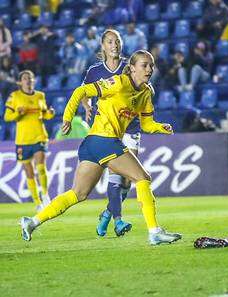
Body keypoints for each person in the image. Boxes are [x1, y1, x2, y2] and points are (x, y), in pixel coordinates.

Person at [20, 50, 183, 246]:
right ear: (131, 68)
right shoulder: (118, 83)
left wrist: (160, 128)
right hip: (103, 140)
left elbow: (147, 124)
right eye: (144, 65)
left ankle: (32, 222)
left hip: (94, 145)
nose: (149, 69)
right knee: (142, 178)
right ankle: (154, 232)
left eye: (151, 65)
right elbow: (81, 91)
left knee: (78, 194)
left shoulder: (146, 93)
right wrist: (67, 117)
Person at [82, 29, 138, 238]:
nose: (114, 45)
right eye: (110, 42)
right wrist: (87, 106)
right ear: (103, 46)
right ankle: (118, 220)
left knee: (128, 179)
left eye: (117, 41)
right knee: (117, 176)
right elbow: (84, 92)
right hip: (108, 130)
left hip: (131, 127)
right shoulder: (94, 71)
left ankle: (107, 213)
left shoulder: (129, 68)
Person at [4, 70, 54, 212]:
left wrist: (50, 114)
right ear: (20, 82)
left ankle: (45, 194)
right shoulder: (14, 96)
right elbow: (7, 117)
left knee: (41, 166)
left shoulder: (40, 95)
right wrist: (17, 113)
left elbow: (44, 115)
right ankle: (37, 202)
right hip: (23, 139)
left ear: (34, 81)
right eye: (25, 78)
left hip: (39, 135)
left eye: (31, 78)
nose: (29, 80)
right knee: (29, 172)